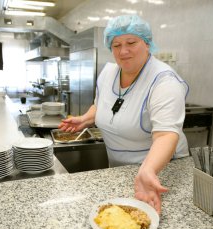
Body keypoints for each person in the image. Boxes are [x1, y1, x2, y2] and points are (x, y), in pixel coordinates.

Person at [58, 15, 189, 214]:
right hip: (120, 170)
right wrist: (86, 118)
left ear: (147, 43)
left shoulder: (164, 82)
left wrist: (148, 170)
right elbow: (101, 105)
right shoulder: (109, 72)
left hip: (157, 174)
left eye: (131, 42)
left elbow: (165, 135)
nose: (123, 51)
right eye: (116, 45)